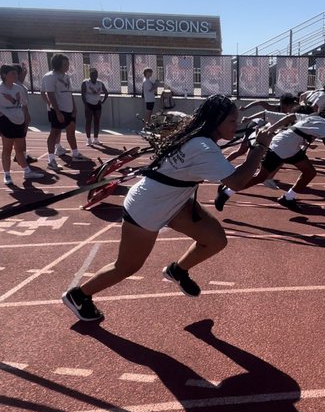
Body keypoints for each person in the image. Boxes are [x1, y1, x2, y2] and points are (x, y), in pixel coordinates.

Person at [61, 95, 278, 324]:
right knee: (126, 267)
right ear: (216, 121)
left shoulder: (198, 138)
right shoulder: (203, 147)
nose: (237, 125)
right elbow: (236, 182)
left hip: (173, 201)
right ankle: (78, 296)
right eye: (232, 121)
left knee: (215, 240)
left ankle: (178, 270)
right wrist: (260, 147)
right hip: (147, 207)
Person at [215, 105, 325, 214]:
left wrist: (272, 129)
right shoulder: (322, 123)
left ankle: (288, 198)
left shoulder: (313, 117)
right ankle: (227, 192)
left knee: (309, 172)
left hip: (291, 148)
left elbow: (290, 117)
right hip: (280, 147)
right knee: (261, 177)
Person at [226, 94, 299, 188]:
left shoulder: (290, 114)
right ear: (286, 105)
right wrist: (247, 112)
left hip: (263, 132)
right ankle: (227, 168)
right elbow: (261, 104)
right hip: (255, 127)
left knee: (256, 158)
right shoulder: (275, 109)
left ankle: (263, 176)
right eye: (291, 106)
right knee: (245, 154)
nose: (293, 108)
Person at [40, 53, 84, 171]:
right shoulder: (50, 77)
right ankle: (51, 160)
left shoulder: (66, 76)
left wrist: (74, 107)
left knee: (71, 131)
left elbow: (69, 93)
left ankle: (75, 153)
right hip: (58, 109)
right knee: (55, 133)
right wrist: (57, 111)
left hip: (69, 109)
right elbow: (49, 94)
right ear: (58, 64)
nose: (68, 66)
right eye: (65, 64)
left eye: (68, 63)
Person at [0, 64, 38, 185]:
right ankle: (7, 174)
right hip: (5, 119)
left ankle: (27, 171)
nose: (16, 75)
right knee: (7, 148)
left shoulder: (19, 88)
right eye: (13, 73)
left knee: (20, 148)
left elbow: (24, 104)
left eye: (16, 73)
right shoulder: (0, 89)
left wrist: (26, 117)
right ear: (4, 75)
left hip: (19, 119)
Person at [13, 62, 37, 163]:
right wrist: (26, 115)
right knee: (21, 136)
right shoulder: (19, 87)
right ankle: (22, 156)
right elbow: (23, 104)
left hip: (14, 114)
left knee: (18, 137)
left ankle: (19, 155)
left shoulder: (11, 85)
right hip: (19, 115)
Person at [81, 69, 109, 147]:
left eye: (95, 75)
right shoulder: (85, 83)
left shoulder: (100, 83)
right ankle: (88, 139)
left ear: (97, 76)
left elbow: (106, 93)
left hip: (97, 105)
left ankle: (95, 139)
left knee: (97, 121)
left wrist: (102, 101)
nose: (93, 77)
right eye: (92, 75)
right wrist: (85, 105)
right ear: (89, 75)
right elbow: (83, 95)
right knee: (88, 121)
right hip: (89, 104)